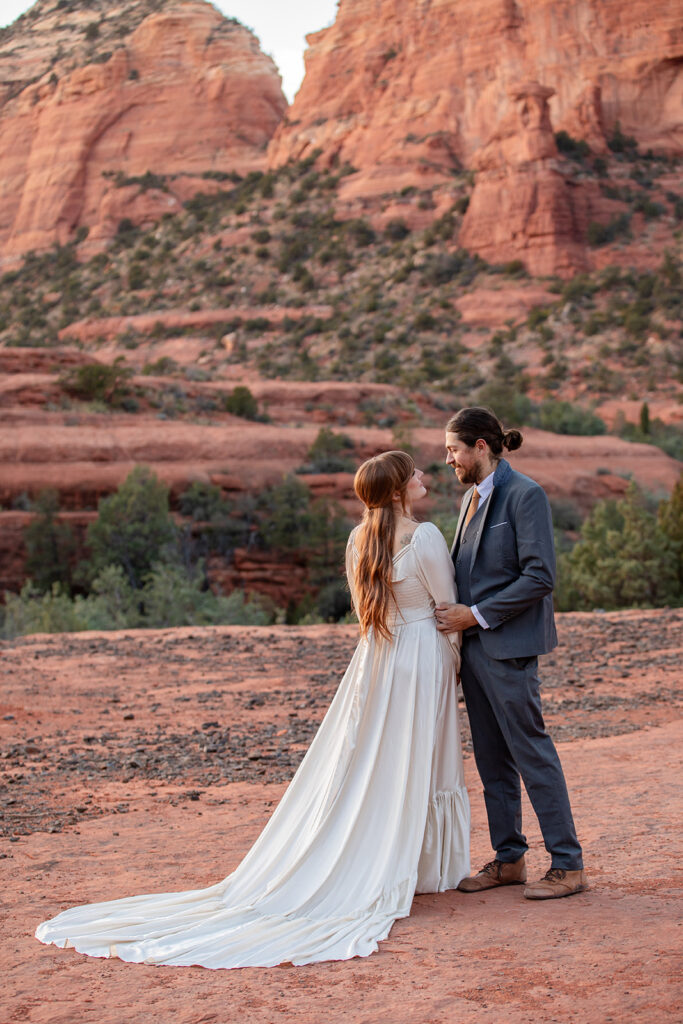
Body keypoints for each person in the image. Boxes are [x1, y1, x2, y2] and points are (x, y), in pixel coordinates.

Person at [36, 451, 470, 969]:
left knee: (373, 761)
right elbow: (448, 612)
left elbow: (364, 614)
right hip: (421, 654)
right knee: (419, 756)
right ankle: (421, 868)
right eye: (415, 473)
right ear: (399, 488)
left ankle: (381, 854)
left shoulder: (358, 541)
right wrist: (456, 666)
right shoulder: (423, 537)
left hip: (377, 659)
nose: (424, 477)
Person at [435, 407, 587, 900]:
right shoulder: (467, 500)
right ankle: (509, 860)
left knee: (531, 752)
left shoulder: (526, 495)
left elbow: (539, 577)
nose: (448, 459)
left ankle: (568, 866)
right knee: (491, 759)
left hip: (509, 648)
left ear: (481, 446)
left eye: (454, 450)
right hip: (474, 651)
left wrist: (473, 615)